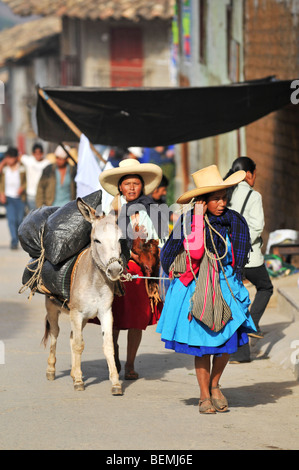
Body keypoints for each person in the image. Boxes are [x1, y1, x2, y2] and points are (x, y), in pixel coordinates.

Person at [156, 165, 256, 414]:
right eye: (215, 199)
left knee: (226, 343)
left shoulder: (235, 221)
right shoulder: (188, 221)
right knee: (203, 345)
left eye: (224, 197)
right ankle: (203, 395)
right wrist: (198, 219)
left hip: (227, 285)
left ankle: (215, 385)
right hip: (198, 288)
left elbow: (238, 257)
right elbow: (196, 252)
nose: (222, 203)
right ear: (201, 201)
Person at [99, 158, 168, 380]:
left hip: (140, 273)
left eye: (135, 184)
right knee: (115, 316)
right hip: (117, 272)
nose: (131, 188)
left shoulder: (156, 209)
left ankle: (130, 363)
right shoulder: (113, 211)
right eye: (126, 184)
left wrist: (145, 252)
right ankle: (115, 354)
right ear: (120, 187)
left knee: (136, 318)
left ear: (142, 186)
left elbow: (164, 240)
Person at [225, 157, 273, 364]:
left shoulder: (226, 192)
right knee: (266, 288)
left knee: (238, 302)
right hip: (250, 257)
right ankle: (253, 322)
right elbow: (257, 226)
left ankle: (240, 354)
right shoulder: (253, 196)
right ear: (248, 174)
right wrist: (243, 244)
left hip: (229, 257)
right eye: (254, 174)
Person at [0, 146, 26, 249]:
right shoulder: (4, 168)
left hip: (19, 198)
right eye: (7, 157)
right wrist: (1, 193)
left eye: (11, 157)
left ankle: (17, 237)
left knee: (19, 220)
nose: (9, 160)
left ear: (15, 157)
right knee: (11, 219)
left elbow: (26, 181)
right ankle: (14, 241)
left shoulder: (22, 167)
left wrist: (22, 188)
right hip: (8, 198)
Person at [20, 143, 50, 211]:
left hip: (42, 195)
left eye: (39, 153)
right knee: (32, 215)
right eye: (35, 153)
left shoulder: (47, 163)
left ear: (42, 153)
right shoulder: (29, 160)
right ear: (33, 153)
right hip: (31, 194)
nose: (38, 155)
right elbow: (18, 157)